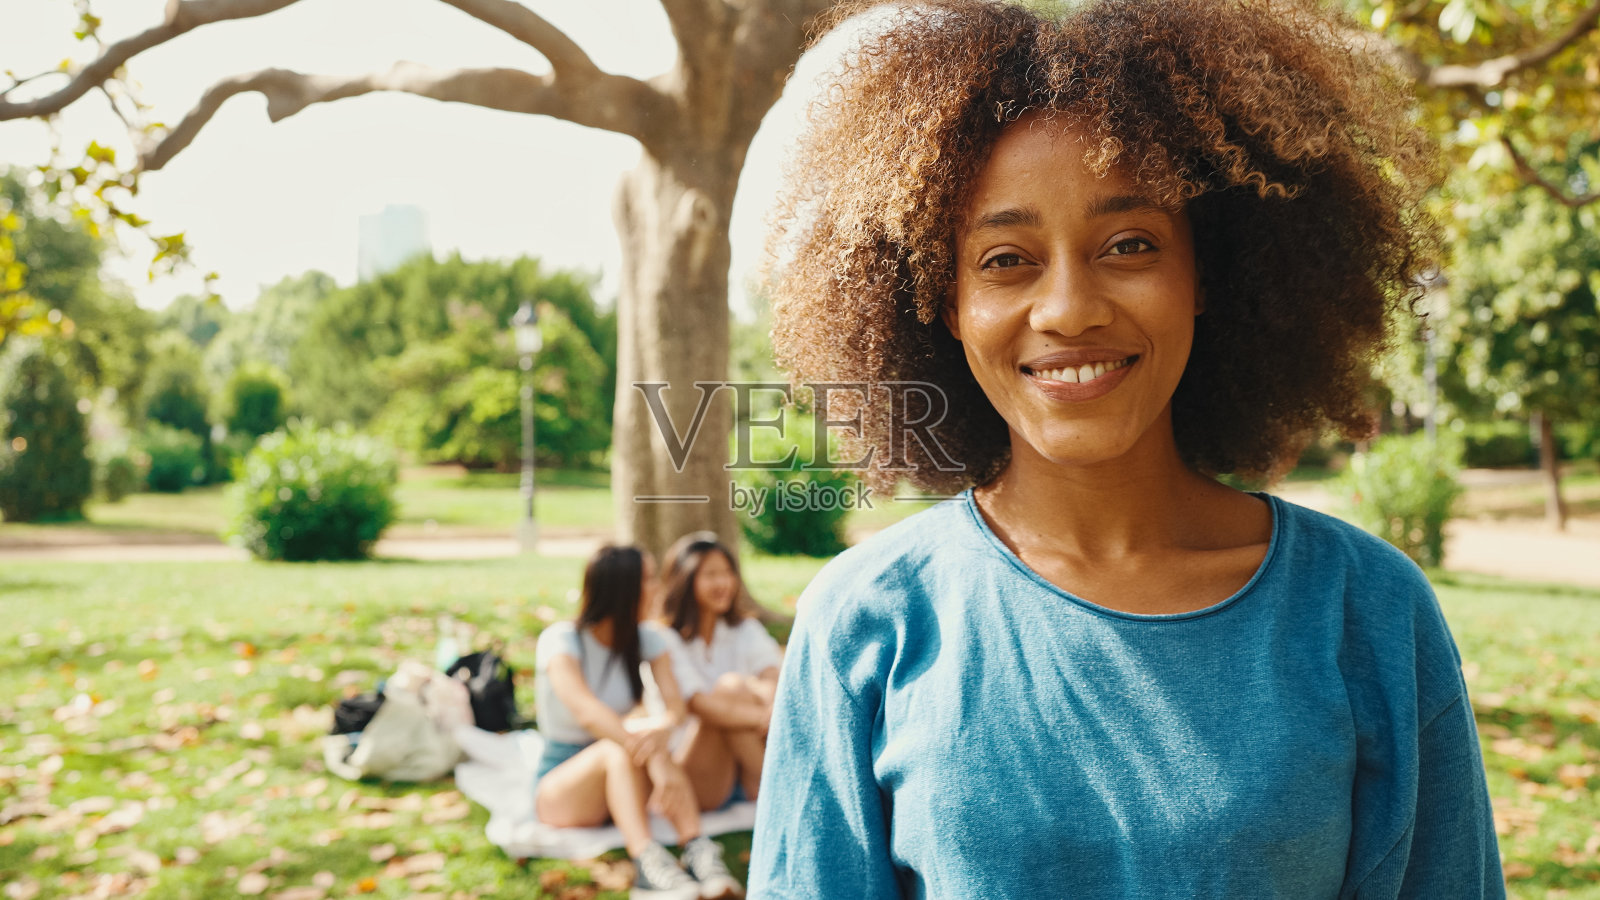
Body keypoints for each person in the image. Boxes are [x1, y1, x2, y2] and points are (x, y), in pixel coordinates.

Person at [748, 1, 1505, 898]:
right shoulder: (868, 622)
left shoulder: (1367, 613)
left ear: (1208, 274)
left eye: (1129, 244)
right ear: (942, 304)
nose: (1068, 308)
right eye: (1004, 259)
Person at [533, 544, 741, 900]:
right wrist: (655, 757)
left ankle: (696, 848)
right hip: (563, 786)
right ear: (622, 588)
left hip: (625, 775)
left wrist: (661, 733)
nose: (658, 588)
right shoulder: (561, 640)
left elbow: (675, 709)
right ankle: (646, 863)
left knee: (644, 735)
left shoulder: (648, 639)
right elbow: (588, 712)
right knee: (624, 743)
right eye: (648, 579)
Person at [657, 533, 783, 811]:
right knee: (730, 688)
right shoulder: (665, 640)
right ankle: (783, 790)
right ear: (685, 580)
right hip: (695, 772)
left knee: (738, 687)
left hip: (743, 766)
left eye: (727, 573)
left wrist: (770, 699)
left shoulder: (744, 629)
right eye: (711, 575)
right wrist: (763, 717)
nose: (723, 583)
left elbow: (772, 672)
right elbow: (698, 705)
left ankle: (767, 787)